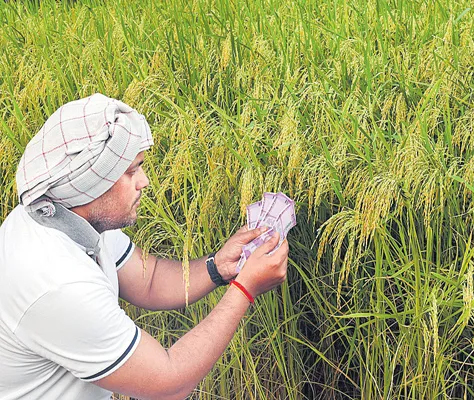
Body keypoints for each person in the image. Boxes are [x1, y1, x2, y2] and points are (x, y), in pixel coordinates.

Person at [0, 94, 289, 400]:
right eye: (131, 171)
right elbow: (170, 384)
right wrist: (245, 289)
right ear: (90, 183)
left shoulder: (68, 212)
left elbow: (148, 281)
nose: (145, 181)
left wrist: (218, 267)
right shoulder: (58, 282)